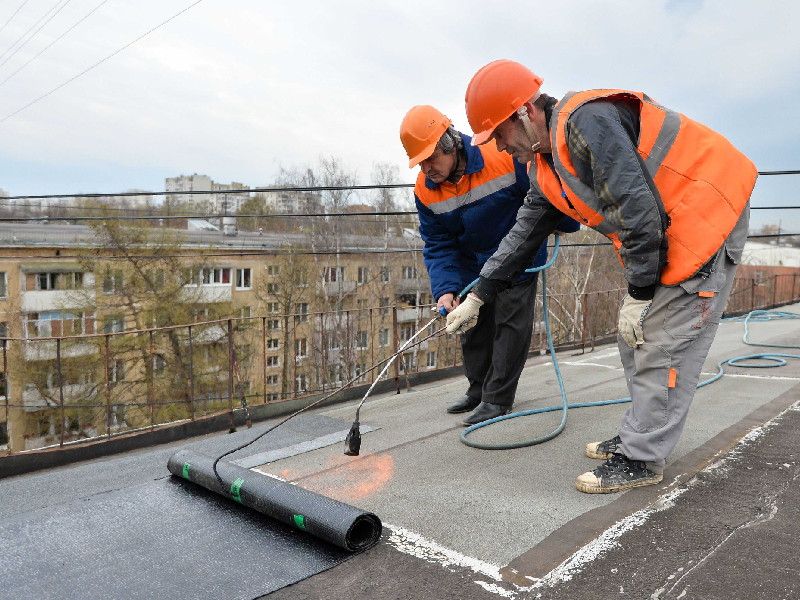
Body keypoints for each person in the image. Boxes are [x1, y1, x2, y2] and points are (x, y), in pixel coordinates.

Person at [447, 60, 756, 493]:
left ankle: (642, 458)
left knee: (658, 340)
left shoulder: (586, 123)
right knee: (632, 338)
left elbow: (637, 211)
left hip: (708, 211)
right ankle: (639, 432)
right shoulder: (545, 163)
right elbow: (525, 231)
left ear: (525, 114)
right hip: (669, 223)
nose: (499, 147)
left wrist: (640, 292)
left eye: (499, 134)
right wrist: (480, 293)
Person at [400, 105, 579, 425]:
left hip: (516, 257)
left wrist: (565, 222)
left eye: (431, 158)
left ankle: (498, 399)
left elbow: (545, 195)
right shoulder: (423, 191)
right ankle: (478, 390)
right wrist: (445, 290)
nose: (427, 168)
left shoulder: (501, 156)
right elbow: (438, 243)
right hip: (471, 263)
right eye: (420, 162)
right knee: (472, 327)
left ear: (450, 143)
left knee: (510, 323)